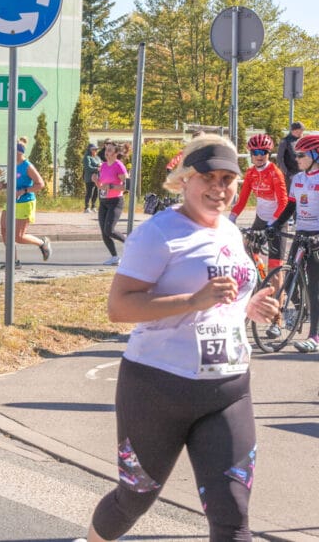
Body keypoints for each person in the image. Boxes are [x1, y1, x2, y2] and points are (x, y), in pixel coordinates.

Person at [79, 134, 278, 542]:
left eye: (228, 180)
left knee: (233, 514)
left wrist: (249, 308)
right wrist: (192, 300)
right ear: (186, 179)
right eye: (208, 177)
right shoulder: (159, 233)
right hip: (158, 388)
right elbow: (119, 307)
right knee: (134, 499)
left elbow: (222, 301)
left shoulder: (230, 232)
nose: (219, 188)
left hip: (228, 390)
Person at [228, 134, 287, 335]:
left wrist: (272, 224)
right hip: (261, 219)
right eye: (255, 152)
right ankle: (258, 281)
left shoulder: (275, 172)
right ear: (251, 155)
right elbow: (243, 199)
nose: (259, 156)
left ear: (269, 154)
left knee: (275, 270)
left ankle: (277, 320)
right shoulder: (251, 173)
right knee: (244, 253)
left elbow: (283, 202)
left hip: (277, 220)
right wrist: (231, 218)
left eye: (263, 152)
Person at [268, 133, 319, 352]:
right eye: (296, 154)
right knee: (290, 278)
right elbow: (291, 207)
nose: (296, 158)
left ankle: (314, 336)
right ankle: (289, 320)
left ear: (316, 155)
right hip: (301, 233)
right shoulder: (298, 179)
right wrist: (275, 225)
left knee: (315, 287)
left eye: (301, 155)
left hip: (316, 235)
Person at [0, 137, 51, 268]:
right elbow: (14, 182)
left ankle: (42, 243)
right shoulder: (12, 164)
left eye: (12, 151)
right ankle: (14, 261)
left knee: (18, 236)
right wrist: (4, 185)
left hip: (25, 202)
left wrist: (24, 191)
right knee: (4, 229)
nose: (9, 153)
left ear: (19, 152)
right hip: (12, 201)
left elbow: (40, 184)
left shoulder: (27, 166)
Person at [94, 142, 128, 266]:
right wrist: (96, 181)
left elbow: (127, 187)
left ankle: (130, 242)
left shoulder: (119, 166)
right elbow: (102, 186)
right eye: (106, 150)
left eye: (109, 150)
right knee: (104, 232)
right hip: (103, 201)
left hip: (115, 202)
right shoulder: (103, 166)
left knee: (109, 230)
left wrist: (112, 186)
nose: (106, 152)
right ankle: (114, 257)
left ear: (116, 153)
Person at [276, 122, 304, 191]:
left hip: (302, 172)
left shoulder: (301, 140)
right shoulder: (285, 141)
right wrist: (286, 172)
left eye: (302, 131)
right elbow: (279, 158)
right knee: (290, 194)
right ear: (292, 131)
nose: (300, 133)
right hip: (290, 174)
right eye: (298, 131)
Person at [82, 143, 101, 214]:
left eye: (96, 149)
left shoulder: (97, 157)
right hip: (89, 178)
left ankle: (93, 207)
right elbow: (88, 167)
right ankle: (87, 208)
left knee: (96, 193)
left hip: (97, 178)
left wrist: (100, 165)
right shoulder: (87, 157)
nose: (95, 150)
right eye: (94, 149)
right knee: (89, 193)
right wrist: (97, 168)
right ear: (89, 150)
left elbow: (101, 163)